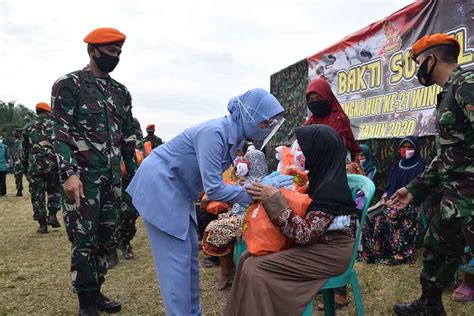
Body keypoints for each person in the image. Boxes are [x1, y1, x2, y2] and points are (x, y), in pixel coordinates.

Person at [127, 88, 287, 315]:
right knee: (176, 264)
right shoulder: (215, 133)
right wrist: (252, 194)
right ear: (250, 115)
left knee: (189, 253)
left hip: (178, 191)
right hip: (161, 187)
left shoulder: (233, 137)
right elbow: (213, 187)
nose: (268, 128)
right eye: (265, 122)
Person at [225, 124, 357, 316]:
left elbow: (304, 235)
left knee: (256, 269)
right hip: (319, 244)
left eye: (305, 148)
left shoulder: (332, 189)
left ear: (319, 151)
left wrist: (273, 199)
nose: (299, 153)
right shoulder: (321, 177)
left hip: (331, 252)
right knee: (247, 258)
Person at [51, 27, 137, 315]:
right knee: (84, 239)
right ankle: (86, 300)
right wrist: (69, 174)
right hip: (84, 179)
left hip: (112, 180)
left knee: (106, 237)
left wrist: (135, 174)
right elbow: (60, 132)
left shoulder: (121, 92)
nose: (116, 57)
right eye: (111, 52)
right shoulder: (69, 85)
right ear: (93, 51)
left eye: (119, 53)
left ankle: (97, 290)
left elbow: (128, 136)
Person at [388, 34, 474, 315]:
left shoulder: (466, 84)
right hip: (453, 200)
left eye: (418, 62)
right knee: (435, 251)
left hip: (470, 200)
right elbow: (445, 156)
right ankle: (429, 306)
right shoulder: (448, 93)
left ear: (431, 59)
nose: (417, 69)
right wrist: (413, 189)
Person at [202, 149, 269, 290]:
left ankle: (226, 272)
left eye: (248, 161)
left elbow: (259, 209)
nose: (245, 164)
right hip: (239, 216)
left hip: (252, 219)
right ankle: (228, 270)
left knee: (217, 228)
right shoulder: (247, 181)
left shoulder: (263, 184)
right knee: (215, 223)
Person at [359, 136, 425, 265]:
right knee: (370, 216)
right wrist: (385, 196)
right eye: (404, 147)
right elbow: (390, 187)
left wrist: (407, 199)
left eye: (410, 147)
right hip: (392, 202)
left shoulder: (421, 166)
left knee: (383, 217)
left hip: (411, 205)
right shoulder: (397, 165)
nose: (406, 150)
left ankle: (396, 253)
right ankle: (372, 253)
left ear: (416, 149)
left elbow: (421, 190)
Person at [21, 102, 62, 234]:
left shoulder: (27, 127)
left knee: (37, 195)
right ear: (48, 112)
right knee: (54, 191)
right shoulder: (55, 125)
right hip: (53, 165)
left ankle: (42, 225)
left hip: (35, 166)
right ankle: (52, 215)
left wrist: (24, 168)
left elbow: (24, 151)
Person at [304, 77, 361, 161]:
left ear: (328, 97)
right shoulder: (310, 122)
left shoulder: (338, 119)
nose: (315, 102)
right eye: (311, 100)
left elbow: (341, 152)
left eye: (319, 98)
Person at [13, 129, 24, 197]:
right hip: (18, 162)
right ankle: (19, 191)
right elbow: (16, 152)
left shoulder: (26, 140)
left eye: (17, 133)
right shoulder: (16, 142)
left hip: (26, 161)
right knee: (18, 177)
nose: (16, 134)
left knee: (30, 177)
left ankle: (33, 189)